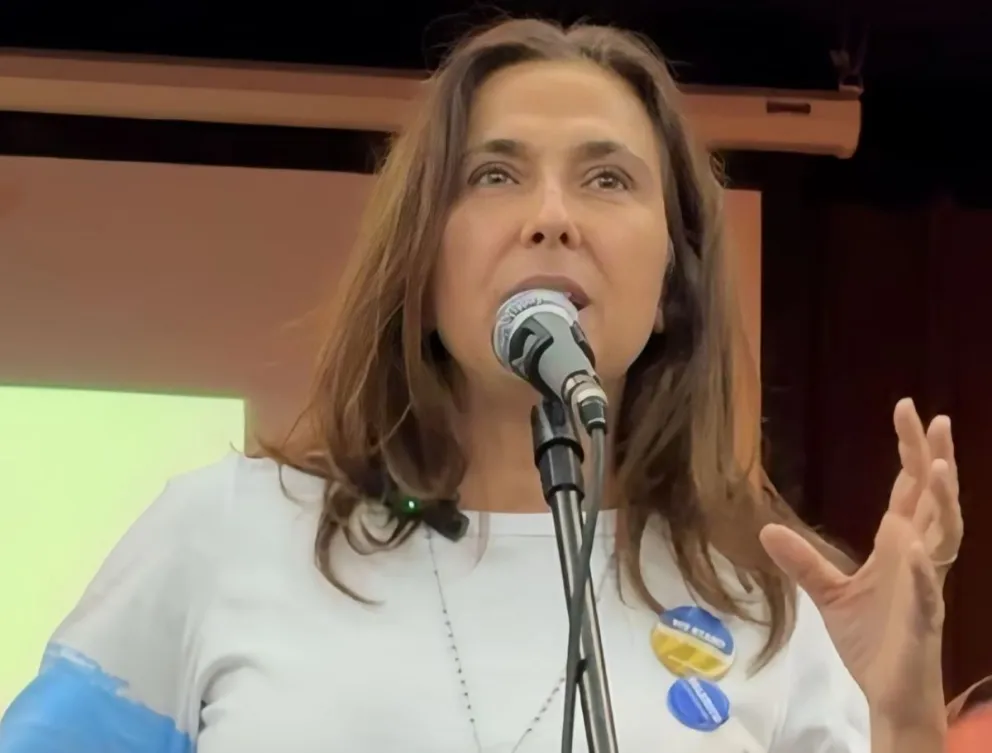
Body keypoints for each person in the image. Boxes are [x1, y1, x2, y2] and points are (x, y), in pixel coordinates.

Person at [0, 18, 965, 753]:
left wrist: (906, 721)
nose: (550, 217)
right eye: (494, 176)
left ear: (674, 282)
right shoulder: (226, 533)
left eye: (607, 180)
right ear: (421, 265)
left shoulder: (766, 607)